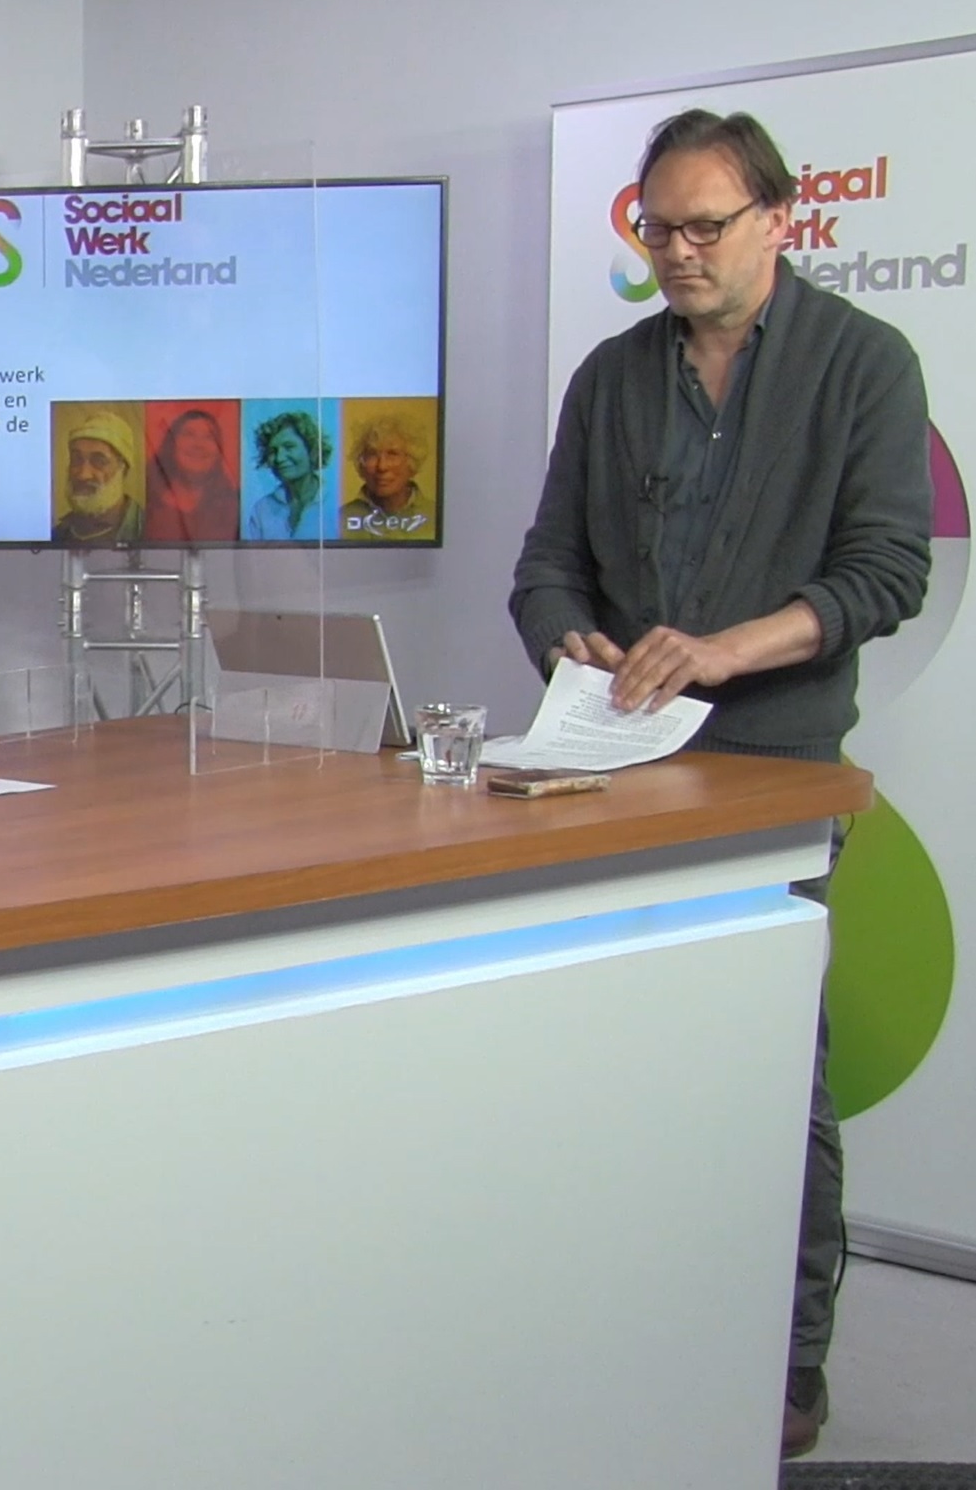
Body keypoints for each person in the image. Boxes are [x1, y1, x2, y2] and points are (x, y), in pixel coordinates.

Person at [509, 109, 932, 1460]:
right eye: (658, 230)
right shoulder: (612, 376)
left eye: (706, 226)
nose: (679, 252)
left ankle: (784, 1361)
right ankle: (631, 1328)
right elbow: (546, 565)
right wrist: (570, 640)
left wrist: (720, 650)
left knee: (771, 1068)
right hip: (614, 770)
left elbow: (887, 571)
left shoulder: (863, 364)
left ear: (779, 221)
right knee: (619, 1062)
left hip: (774, 776)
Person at [141, 407, 239, 543]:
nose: (199, 444)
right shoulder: (145, 501)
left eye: (209, 437)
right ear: (171, 444)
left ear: (218, 452)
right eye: (189, 434)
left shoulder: (234, 506)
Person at [340, 412, 436, 540]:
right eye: (372, 454)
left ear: (412, 461)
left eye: (392, 454)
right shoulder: (338, 520)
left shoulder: (436, 516)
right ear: (361, 462)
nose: (382, 466)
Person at [55, 408, 144, 546]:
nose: (83, 475)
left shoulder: (151, 531)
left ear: (123, 469)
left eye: (99, 461)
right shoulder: (58, 534)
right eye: (77, 459)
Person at [244, 408, 332, 542]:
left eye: (289, 447)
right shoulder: (262, 509)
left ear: (312, 450)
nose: (279, 458)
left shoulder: (335, 502)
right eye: (273, 451)